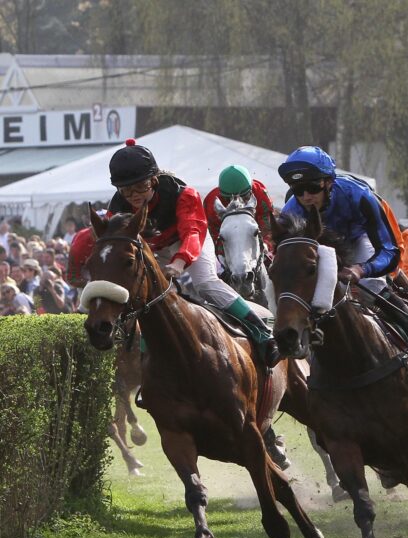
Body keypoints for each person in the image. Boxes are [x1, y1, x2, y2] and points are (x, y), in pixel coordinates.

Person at [72, 139, 282, 368]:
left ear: (154, 180)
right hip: (154, 247)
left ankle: (261, 331)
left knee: (205, 283)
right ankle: (146, 358)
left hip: (189, 240)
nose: (133, 196)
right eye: (126, 190)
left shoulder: (183, 194)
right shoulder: (118, 208)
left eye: (140, 187)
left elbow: (192, 231)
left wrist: (180, 262)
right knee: (145, 292)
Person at [277, 146, 408, 388]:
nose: (306, 196)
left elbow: (390, 251)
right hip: (324, 248)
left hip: (362, 239)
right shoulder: (291, 211)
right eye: (297, 190)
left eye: (313, 187)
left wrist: (361, 270)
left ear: (328, 182)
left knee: (372, 285)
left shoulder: (358, 195)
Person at [203, 164, 277, 257]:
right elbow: (214, 236)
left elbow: (268, 226)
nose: (239, 203)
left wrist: (266, 244)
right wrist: (221, 255)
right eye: (230, 199)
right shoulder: (212, 203)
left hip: (255, 237)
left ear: (251, 190)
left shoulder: (260, 193)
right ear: (223, 196)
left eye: (245, 197)